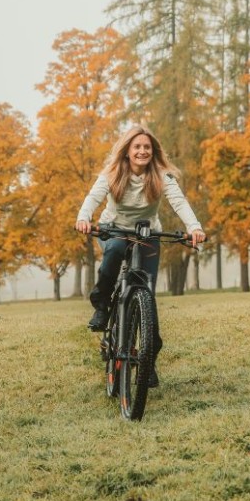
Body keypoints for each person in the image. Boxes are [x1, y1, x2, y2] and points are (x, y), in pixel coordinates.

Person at [75, 125, 205, 384]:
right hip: (115, 230)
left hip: (147, 236)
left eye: (147, 147)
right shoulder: (112, 173)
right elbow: (93, 197)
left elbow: (179, 202)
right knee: (112, 253)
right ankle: (101, 306)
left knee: (147, 294)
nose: (142, 151)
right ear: (127, 152)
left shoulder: (161, 175)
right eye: (137, 147)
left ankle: (147, 360)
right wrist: (83, 217)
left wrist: (194, 227)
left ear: (153, 151)